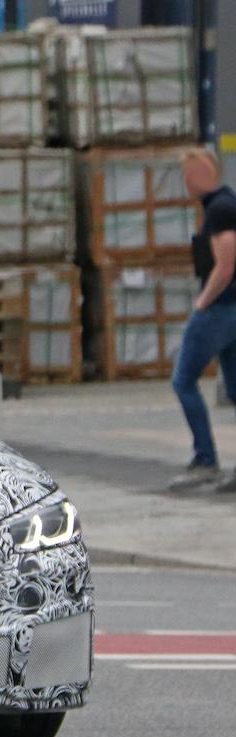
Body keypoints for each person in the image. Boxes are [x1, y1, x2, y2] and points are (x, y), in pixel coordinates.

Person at [171, 148, 236, 492]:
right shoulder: (224, 203)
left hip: (219, 309)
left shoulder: (220, 209)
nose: (185, 181)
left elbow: (226, 265)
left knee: (183, 380)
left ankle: (205, 459)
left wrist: (202, 303)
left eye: (188, 174)